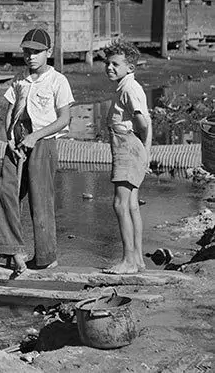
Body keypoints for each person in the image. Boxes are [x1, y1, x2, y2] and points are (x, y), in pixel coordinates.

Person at [0, 28, 75, 274]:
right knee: (6, 191)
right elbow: (10, 111)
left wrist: (35, 136)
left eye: (37, 52)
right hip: (17, 143)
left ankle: (45, 257)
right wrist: (9, 138)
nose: (31, 57)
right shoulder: (20, 80)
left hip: (42, 143)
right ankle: (13, 250)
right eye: (27, 52)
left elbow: (64, 119)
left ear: (48, 52)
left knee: (40, 199)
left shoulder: (57, 80)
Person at [102, 40, 152, 275]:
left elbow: (143, 122)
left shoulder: (129, 89)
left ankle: (128, 261)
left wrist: (140, 146)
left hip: (126, 146)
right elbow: (146, 122)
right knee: (131, 205)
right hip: (131, 146)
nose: (109, 67)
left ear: (130, 67)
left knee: (120, 204)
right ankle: (138, 260)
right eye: (108, 63)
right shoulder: (127, 87)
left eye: (115, 64)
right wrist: (145, 150)